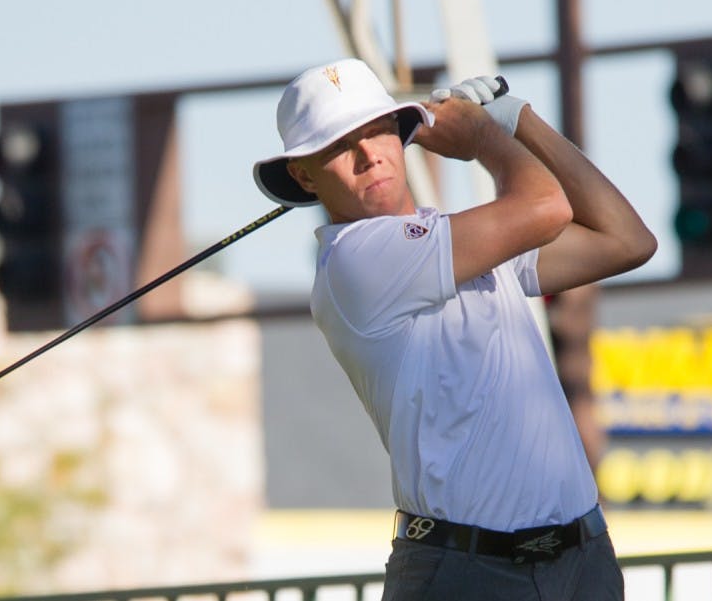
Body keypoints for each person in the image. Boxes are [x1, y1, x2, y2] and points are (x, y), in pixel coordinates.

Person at [252, 58, 656, 600]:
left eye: (377, 130)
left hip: (582, 559)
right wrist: (487, 135)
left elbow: (627, 239)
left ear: (401, 136)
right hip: (469, 574)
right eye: (338, 146)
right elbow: (544, 206)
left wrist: (521, 120)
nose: (369, 154)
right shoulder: (355, 261)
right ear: (303, 175)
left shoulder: (464, 243)